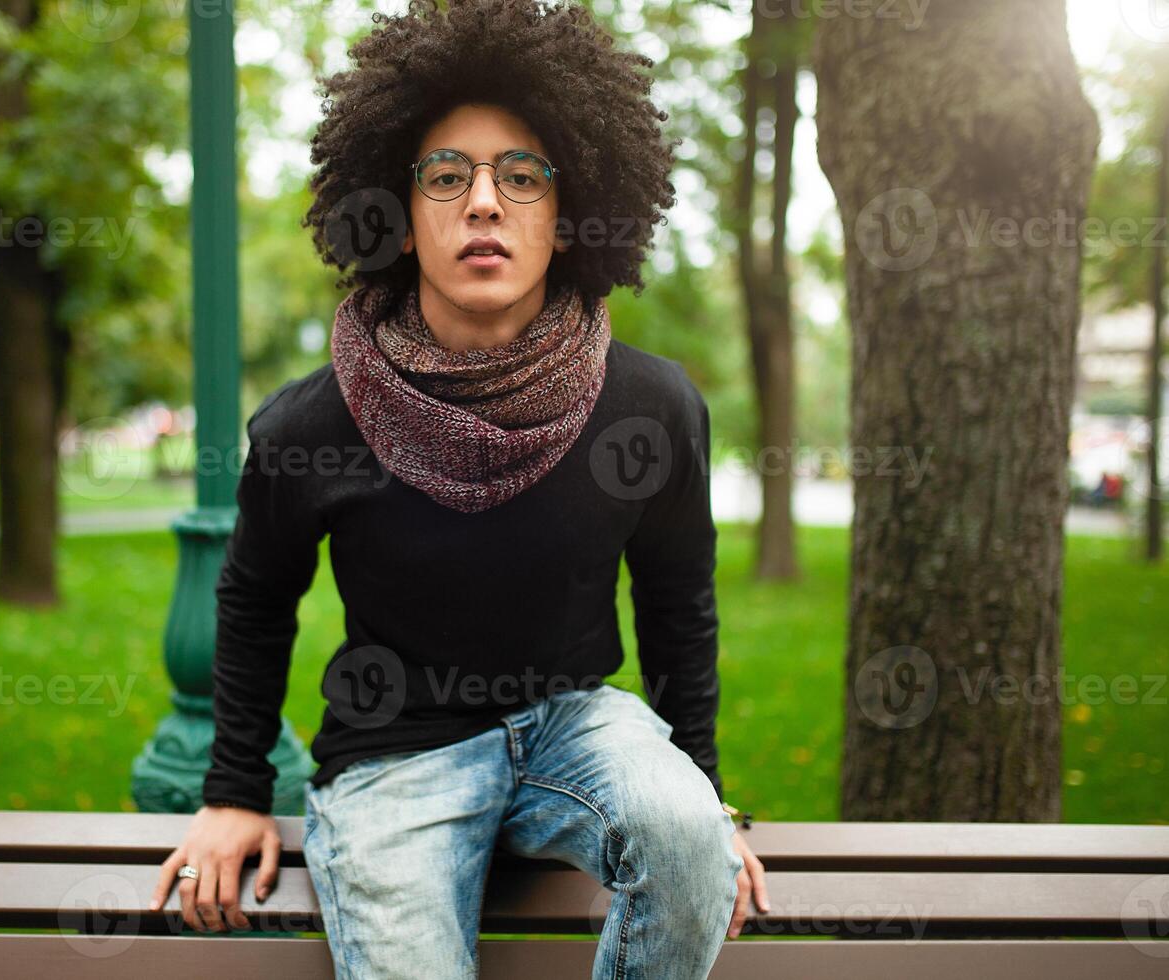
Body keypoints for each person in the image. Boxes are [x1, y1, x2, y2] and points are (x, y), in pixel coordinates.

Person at [150, 1, 769, 975]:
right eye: (447, 176)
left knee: (686, 832)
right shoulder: (308, 424)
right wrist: (232, 792)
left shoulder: (649, 407)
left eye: (522, 176)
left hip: (577, 725)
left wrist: (708, 799)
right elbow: (256, 601)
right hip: (392, 754)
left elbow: (677, 602)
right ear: (397, 219)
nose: (485, 202)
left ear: (567, 218)